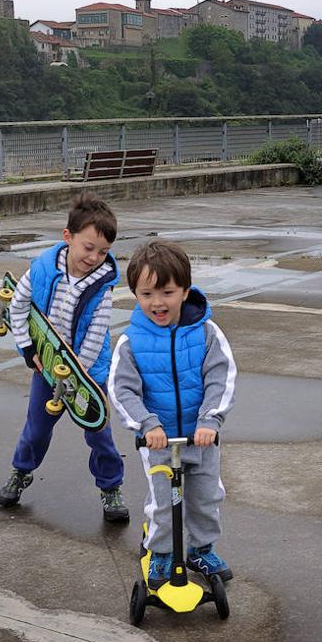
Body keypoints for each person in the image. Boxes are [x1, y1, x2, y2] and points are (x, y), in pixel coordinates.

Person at [108, 240, 238, 588]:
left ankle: (201, 549)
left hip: (201, 439)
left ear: (184, 291)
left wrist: (211, 420)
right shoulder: (132, 341)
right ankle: (161, 553)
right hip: (159, 442)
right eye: (146, 294)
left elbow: (221, 377)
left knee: (206, 498)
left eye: (167, 292)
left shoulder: (207, 333)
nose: (157, 303)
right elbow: (122, 391)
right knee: (163, 504)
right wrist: (147, 424)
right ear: (134, 293)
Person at [0, 192, 128, 522]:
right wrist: (27, 349)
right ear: (67, 237)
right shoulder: (41, 270)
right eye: (88, 247)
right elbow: (19, 306)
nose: (95, 257)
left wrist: (79, 371)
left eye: (104, 252)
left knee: (98, 432)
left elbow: (99, 330)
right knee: (36, 430)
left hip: (86, 372)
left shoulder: (103, 285)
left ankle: (110, 487)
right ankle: (21, 472)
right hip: (47, 368)